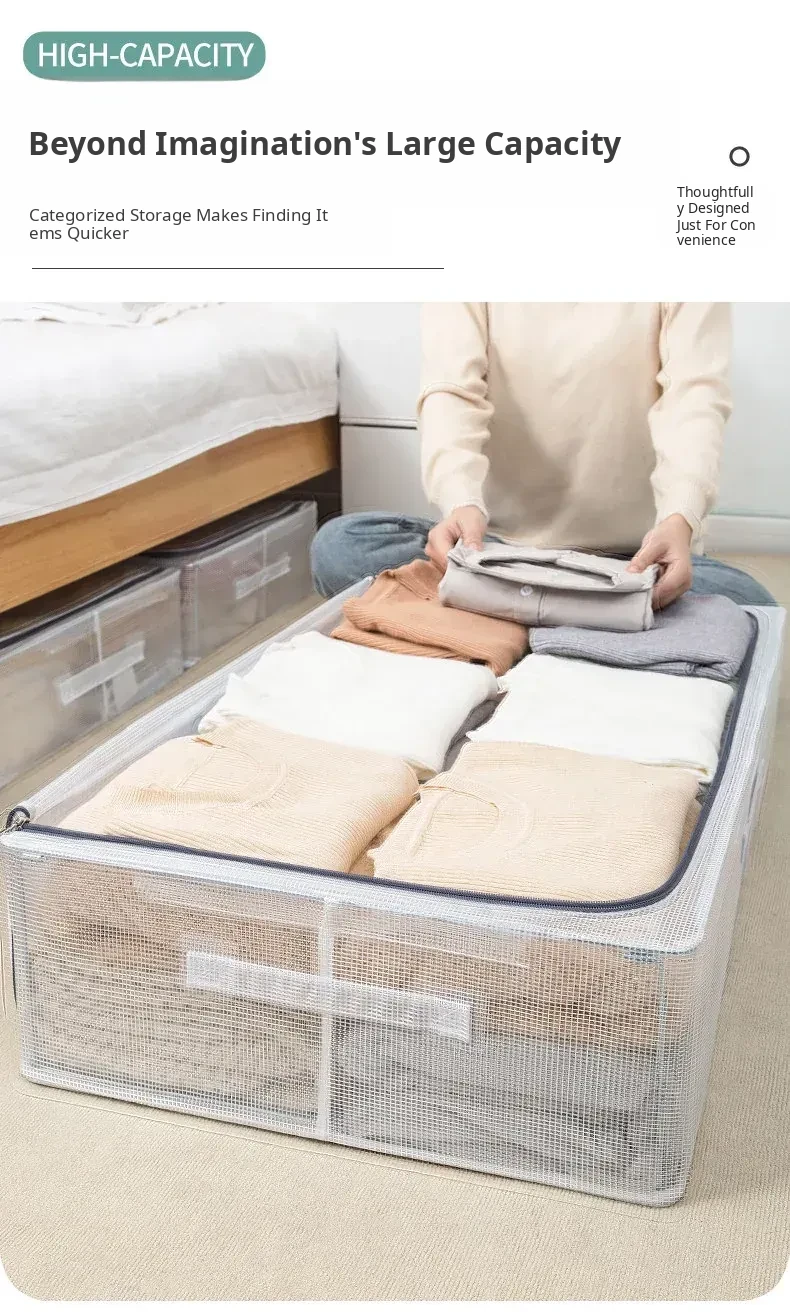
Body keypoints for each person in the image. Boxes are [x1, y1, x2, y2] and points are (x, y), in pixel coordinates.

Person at [311, 303, 775, 607]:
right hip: (498, 552)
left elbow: (693, 400)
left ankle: (506, 617)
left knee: (751, 605)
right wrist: (459, 502)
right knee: (340, 546)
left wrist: (680, 518)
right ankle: (585, 623)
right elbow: (451, 392)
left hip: (635, 560)